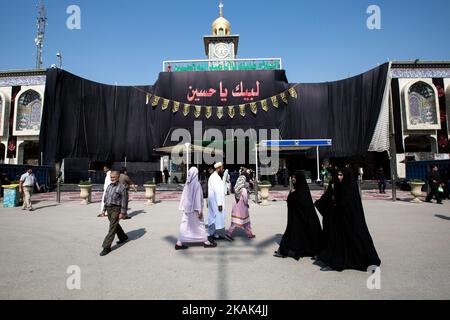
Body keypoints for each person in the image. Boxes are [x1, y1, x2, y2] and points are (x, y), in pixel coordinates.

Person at [317, 168, 381, 271]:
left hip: (350, 221)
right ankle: (336, 262)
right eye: (338, 175)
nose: (339, 177)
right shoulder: (337, 185)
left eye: (341, 175)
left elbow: (347, 204)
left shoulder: (350, 187)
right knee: (338, 241)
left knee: (356, 240)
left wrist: (337, 200)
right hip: (340, 220)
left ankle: (365, 260)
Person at [274, 170, 322, 260]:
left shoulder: (301, 192)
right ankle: (284, 250)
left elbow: (300, 203)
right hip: (297, 219)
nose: (293, 179)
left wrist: (292, 195)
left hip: (303, 219)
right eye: (292, 177)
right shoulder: (299, 190)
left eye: (295, 177)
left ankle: (285, 250)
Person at [175, 167, 217, 250]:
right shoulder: (196, 184)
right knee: (200, 225)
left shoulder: (188, 183)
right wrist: (199, 211)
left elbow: (183, 197)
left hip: (187, 209)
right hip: (195, 210)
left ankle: (179, 243)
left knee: (185, 225)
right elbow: (198, 198)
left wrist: (184, 207)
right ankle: (206, 241)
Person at [99, 171, 129, 256]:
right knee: (114, 224)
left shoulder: (122, 187)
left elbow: (124, 201)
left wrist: (123, 213)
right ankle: (123, 237)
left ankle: (106, 247)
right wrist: (103, 210)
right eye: (111, 177)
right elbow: (106, 199)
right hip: (109, 208)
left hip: (116, 209)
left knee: (112, 227)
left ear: (118, 177)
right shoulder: (109, 186)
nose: (112, 179)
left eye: (113, 177)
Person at [226, 175, 255, 240]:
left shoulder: (236, 188)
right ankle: (249, 234)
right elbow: (245, 199)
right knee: (246, 222)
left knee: (234, 223)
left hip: (235, 208)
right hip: (242, 209)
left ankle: (228, 234)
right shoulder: (243, 189)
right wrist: (247, 204)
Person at [207, 162, 228, 242]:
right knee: (213, 218)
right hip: (215, 201)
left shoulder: (216, 176)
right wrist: (219, 204)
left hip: (214, 201)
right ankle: (210, 235)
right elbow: (217, 191)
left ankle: (215, 234)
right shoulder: (215, 177)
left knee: (215, 218)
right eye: (222, 167)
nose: (223, 169)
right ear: (219, 168)